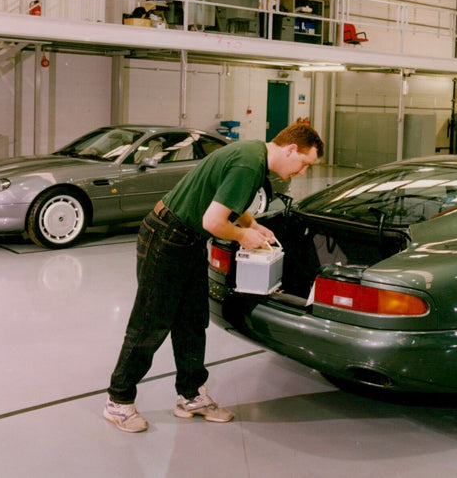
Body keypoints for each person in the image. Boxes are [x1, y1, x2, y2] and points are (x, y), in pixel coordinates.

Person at [103, 123, 325, 432]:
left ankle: (191, 395)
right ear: (290, 150)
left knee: (193, 321)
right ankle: (118, 401)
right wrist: (242, 236)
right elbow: (213, 221)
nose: (302, 172)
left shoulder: (253, 155)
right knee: (151, 323)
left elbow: (225, 200)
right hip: (167, 237)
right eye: (304, 163)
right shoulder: (249, 163)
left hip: (187, 239)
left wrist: (253, 224)